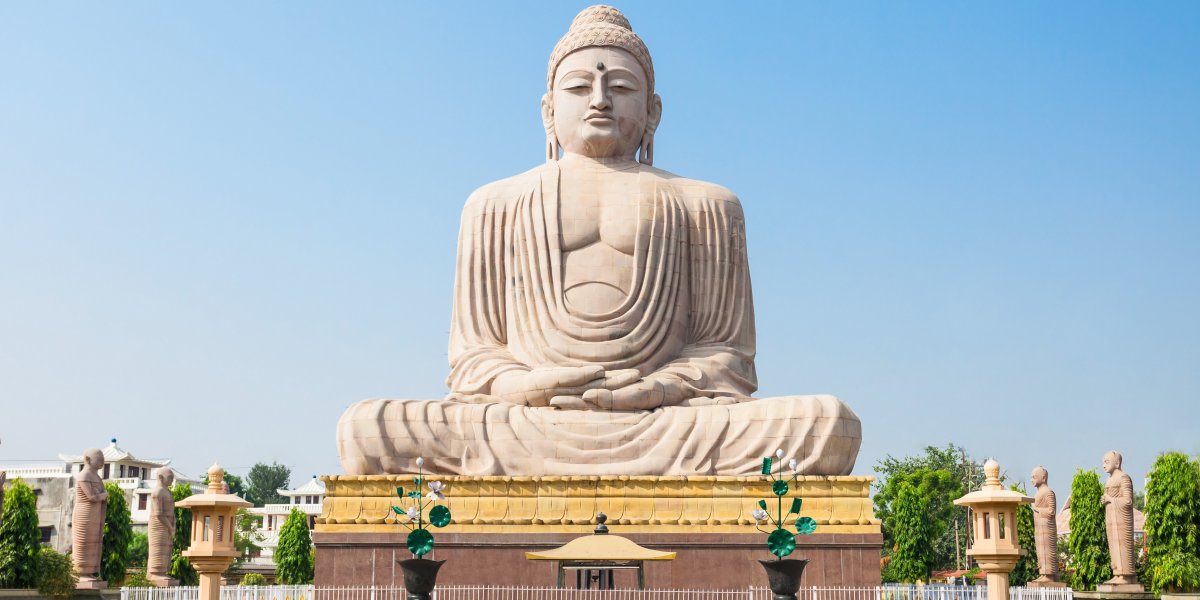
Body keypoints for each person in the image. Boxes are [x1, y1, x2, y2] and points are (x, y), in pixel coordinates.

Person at [337, 5, 861, 476]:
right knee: (366, 428)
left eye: (622, 88)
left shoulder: (707, 203)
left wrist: (656, 389)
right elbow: (474, 359)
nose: (601, 100)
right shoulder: (492, 204)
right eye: (579, 86)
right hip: (527, 419)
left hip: (666, 421)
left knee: (826, 423)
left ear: (653, 111)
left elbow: (727, 356)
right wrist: (526, 386)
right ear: (548, 110)